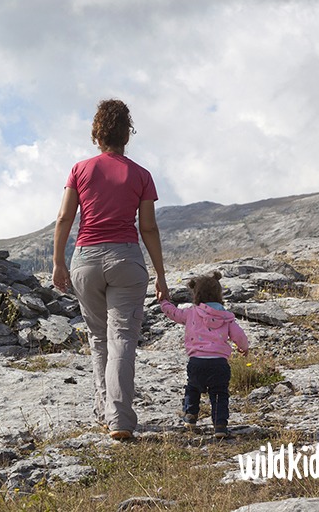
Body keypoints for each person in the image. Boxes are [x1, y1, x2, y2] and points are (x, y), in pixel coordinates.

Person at [52, 99, 168, 441]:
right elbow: (148, 228)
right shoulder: (142, 175)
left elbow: (64, 218)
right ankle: (119, 419)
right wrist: (160, 274)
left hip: (85, 260)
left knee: (99, 339)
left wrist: (58, 261)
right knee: (122, 340)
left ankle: (106, 412)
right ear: (126, 136)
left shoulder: (79, 169)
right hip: (126, 261)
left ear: (96, 135)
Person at [159, 271, 249, 438]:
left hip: (197, 362)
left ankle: (190, 416)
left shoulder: (191, 312)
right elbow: (239, 336)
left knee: (193, 387)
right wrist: (244, 348)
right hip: (219, 364)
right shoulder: (226, 317)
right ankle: (220, 425)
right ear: (219, 293)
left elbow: (174, 314)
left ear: (196, 293)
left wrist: (164, 302)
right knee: (219, 393)